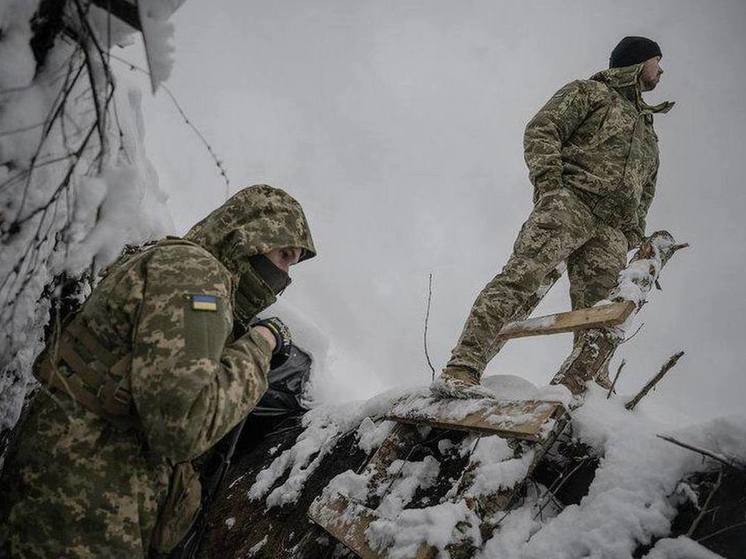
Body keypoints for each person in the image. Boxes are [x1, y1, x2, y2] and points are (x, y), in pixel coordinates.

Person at [0, 184, 316, 557]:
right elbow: (183, 426)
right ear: (251, 236)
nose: (284, 277)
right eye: (284, 256)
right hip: (83, 510)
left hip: (70, 496)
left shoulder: (179, 268)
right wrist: (261, 344)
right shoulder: (196, 275)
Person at [437, 36, 674, 396]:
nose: (662, 70)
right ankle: (463, 367)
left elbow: (647, 188)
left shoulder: (649, 133)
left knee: (601, 314)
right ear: (640, 62)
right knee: (520, 281)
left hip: (611, 230)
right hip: (570, 204)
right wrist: (551, 187)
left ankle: (586, 388)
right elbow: (543, 129)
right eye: (658, 61)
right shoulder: (590, 92)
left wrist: (632, 231)